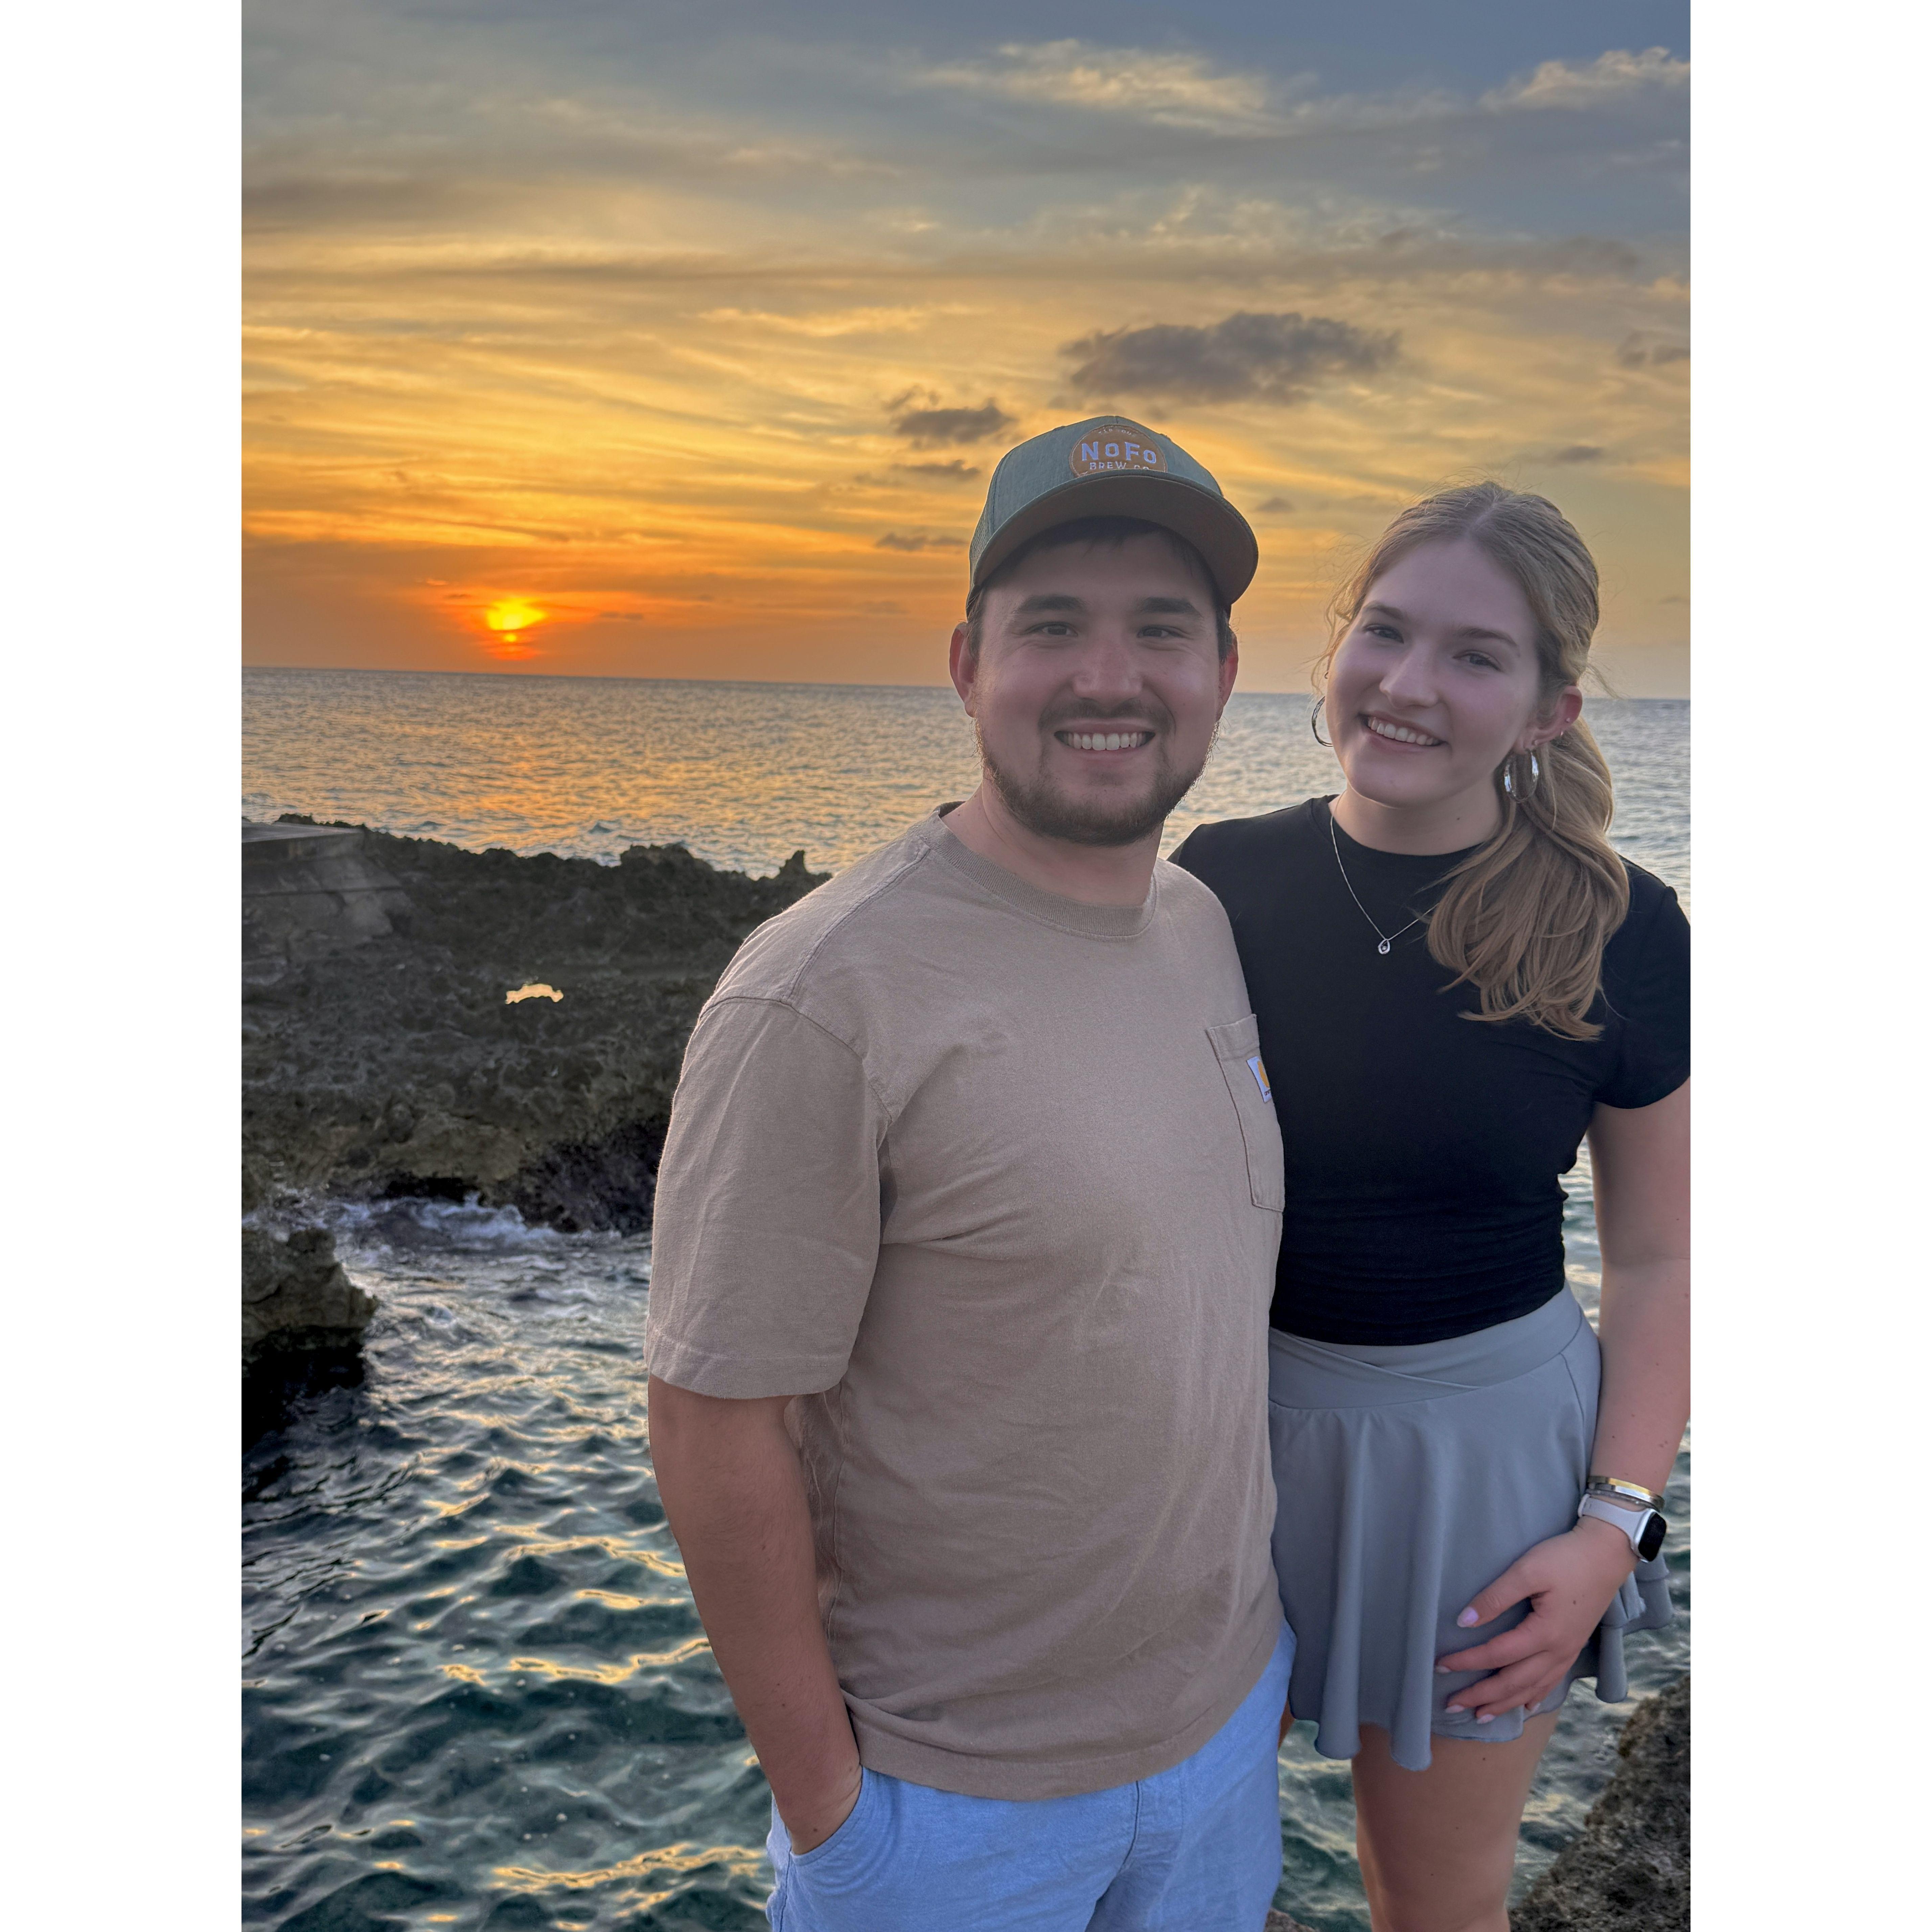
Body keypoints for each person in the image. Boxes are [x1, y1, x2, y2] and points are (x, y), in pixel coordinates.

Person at [645, 417, 1294, 1932]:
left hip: (1221, 1743)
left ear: (1222, 674)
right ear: (965, 665)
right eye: (1051, 626)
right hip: (948, 1808)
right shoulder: (822, 992)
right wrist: (835, 1818)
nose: (1109, 677)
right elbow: (711, 1419)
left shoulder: (1200, 925)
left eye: (1161, 630)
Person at [1172, 483, 1688, 1932]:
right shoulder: (1216, 886)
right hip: (1215, 1448)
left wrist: (1616, 1527)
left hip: (1486, 1473)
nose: (1408, 684)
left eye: (1476, 655)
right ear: (1338, 644)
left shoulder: (1621, 926)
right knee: (1167, 1877)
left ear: (1548, 711)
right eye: (1387, 632)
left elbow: (1661, 1258)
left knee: (1437, 1903)